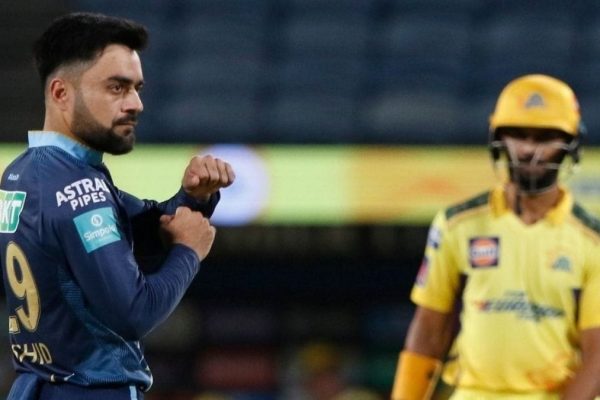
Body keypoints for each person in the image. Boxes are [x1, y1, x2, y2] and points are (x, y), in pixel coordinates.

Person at [0, 12, 235, 400]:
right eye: (117, 88)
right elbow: (134, 312)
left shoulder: (24, 172)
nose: (136, 104)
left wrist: (193, 198)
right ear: (61, 93)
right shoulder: (77, 186)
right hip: (91, 390)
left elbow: (142, 230)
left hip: (42, 385)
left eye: (137, 88)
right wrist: (189, 253)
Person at [391, 74, 600, 399]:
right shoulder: (457, 225)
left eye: (545, 137)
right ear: (498, 139)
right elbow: (430, 329)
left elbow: (597, 353)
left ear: (571, 144)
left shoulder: (591, 241)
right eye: (518, 134)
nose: (528, 149)